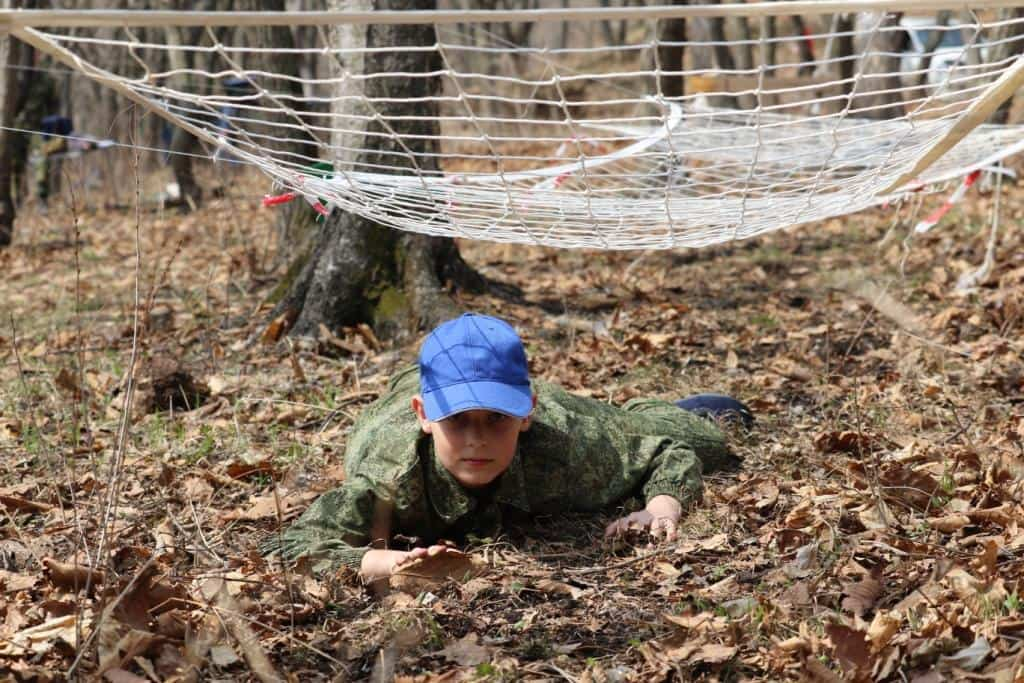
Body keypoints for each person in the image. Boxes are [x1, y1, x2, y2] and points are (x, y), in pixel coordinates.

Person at [264, 313, 750, 584]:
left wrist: (660, 505)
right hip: (410, 390)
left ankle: (650, 404)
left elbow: (668, 450)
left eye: (495, 418)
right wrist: (381, 561)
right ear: (425, 417)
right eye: (458, 421)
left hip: (513, 394)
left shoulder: (565, 446)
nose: (476, 438)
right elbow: (289, 546)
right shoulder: (389, 479)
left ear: (526, 412)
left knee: (709, 439)